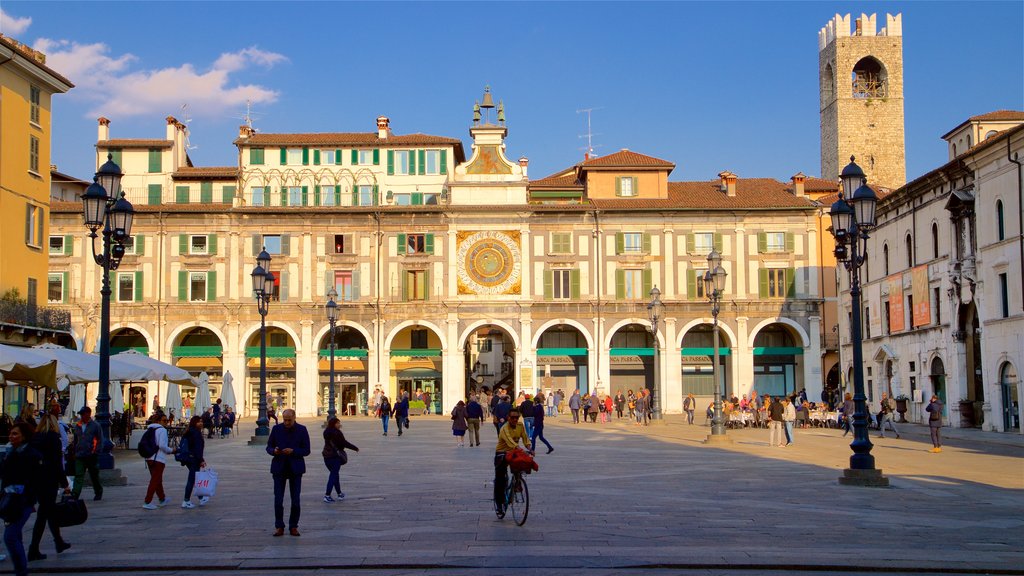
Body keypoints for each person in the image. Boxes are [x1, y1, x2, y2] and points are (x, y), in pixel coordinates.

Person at [2, 422, 43, 576]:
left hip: (23, 500)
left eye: (15, 434)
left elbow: (36, 479)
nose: (11, 437)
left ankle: (21, 571)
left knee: (10, 537)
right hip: (10, 501)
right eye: (11, 433)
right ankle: (21, 568)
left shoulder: (31, 455)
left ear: (24, 436)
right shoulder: (11, 452)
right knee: (15, 535)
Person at [27, 414, 71, 561]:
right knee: (43, 515)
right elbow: (57, 463)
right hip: (49, 480)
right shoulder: (53, 438)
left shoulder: (35, 437)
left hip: (36, 480)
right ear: (54, 424)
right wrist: (64, 483)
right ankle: (33, 549)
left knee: (49, 512)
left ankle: (59, 542)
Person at [266, 409, 310, 536]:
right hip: (279, 468)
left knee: (295, 500)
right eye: (284, 420)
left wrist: (294, 451)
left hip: (295, 468)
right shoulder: (276, 429)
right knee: (278, 500)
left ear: (294, 417)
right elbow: (268, 447)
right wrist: (274, 451)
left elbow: (307, 450)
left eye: (289, 420)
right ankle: (279, 526)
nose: (286, 422)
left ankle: (293, 526)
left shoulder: (302, 429)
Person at [492, 409, 532, 516]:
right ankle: (499, 504)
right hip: (502, 453)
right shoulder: (504, 428)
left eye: (516, 417)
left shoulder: (520, 426)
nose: (514, 419)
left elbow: (525, 437)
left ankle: (517, 482)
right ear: (508, 418)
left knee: (520, 466)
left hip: (514, 452)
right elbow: (510, 442)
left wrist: (529, 447)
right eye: (512, 417)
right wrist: (521, 450)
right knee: (500, 479)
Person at [142, 413, 175, 510]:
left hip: (149, 458)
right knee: (155, 480)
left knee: (157, 479)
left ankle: (162, 498)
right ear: (158, 421)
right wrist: (171, 450)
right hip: (158, 458)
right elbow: (162, 445)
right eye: (164, 421)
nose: (166, 423)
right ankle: (147, 501)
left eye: (167, 421)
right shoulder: (162, 430)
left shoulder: (149, 429)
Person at [321, 417, 358, 503]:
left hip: (326, 456)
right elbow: (344, 443)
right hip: (335, 456)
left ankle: (339, 493)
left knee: (335, 475)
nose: (339, 425)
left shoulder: (326, 432)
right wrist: (354, 448)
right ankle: (327, 495)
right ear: (334, 424)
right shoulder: (337, 433)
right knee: (333, 475)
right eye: (337, 423)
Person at [71, 406, 103, 501]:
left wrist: (96, 452)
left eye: (83, 414)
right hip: (80, 455)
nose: (81, 416)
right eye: (81, 414)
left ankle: (98, 491)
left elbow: (100, 440)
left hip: (91, 455)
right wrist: (74, 451)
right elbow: (75, 440)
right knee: (79, 475)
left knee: (94, 475)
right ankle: (75, 493)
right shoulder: (78, 425)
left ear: (88, 414)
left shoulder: (95, 426)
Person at [180, 415, 206, 509]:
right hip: (194, 458)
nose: (201, 423)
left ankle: (201, 497)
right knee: (191, 479)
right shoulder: (196, 433)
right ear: (194, 423)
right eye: (199, 422)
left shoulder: (188, 431)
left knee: (194, 478)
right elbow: (197, 449)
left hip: (187, 458)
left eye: (202, 421)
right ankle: (186, 500)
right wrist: (201, 460)